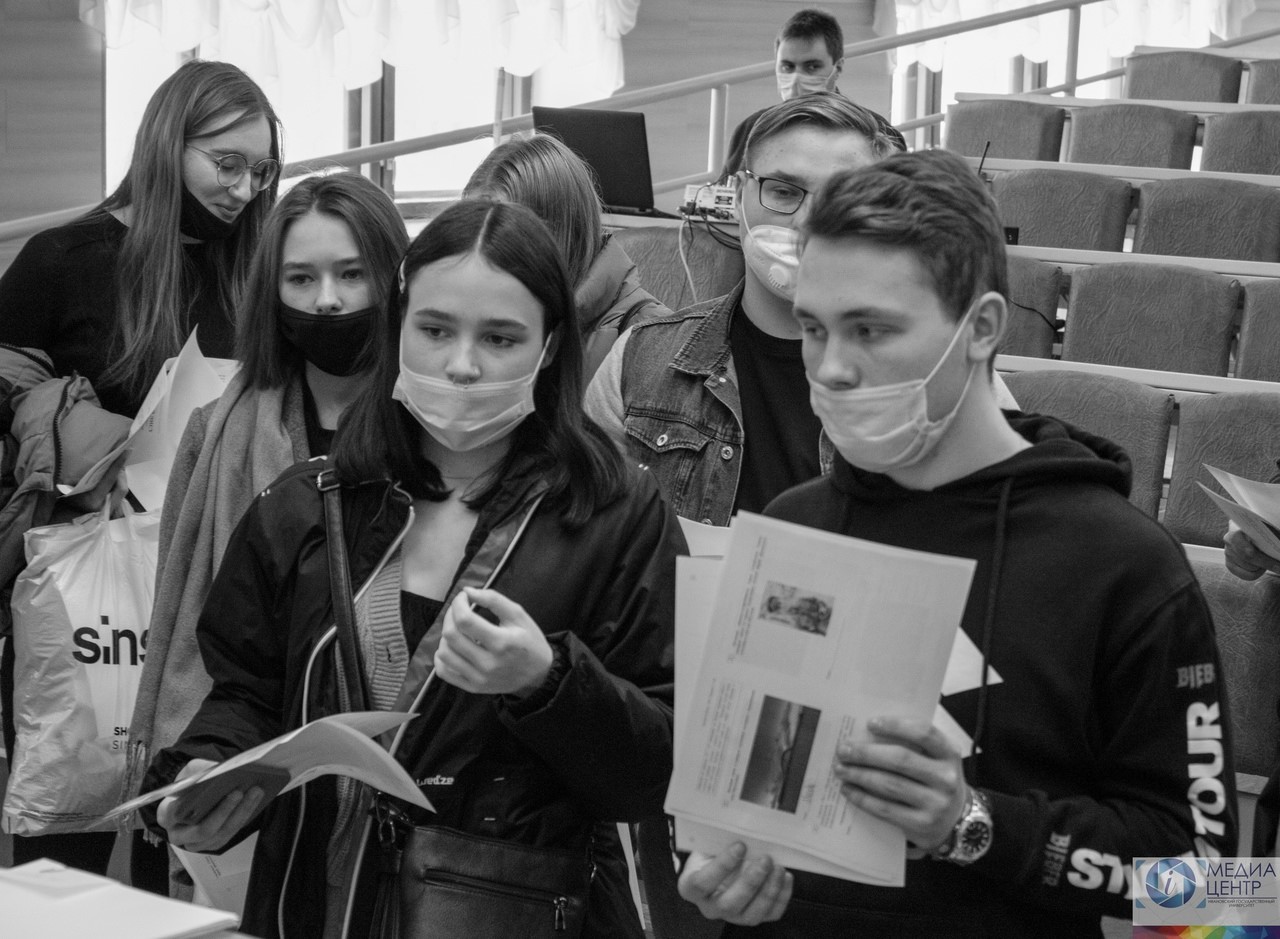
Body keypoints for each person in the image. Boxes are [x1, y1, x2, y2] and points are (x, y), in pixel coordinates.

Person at [677, 149, 1238, 937]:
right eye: (813, 328)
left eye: (871, 329)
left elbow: (1207, 881)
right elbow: (752, 805)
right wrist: (721, 876)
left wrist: (974, 823)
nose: (831, 369)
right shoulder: (794, 526)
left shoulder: (1124, 563)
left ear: (981, 328)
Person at [140, 199, 682, 938]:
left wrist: (547, 681)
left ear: (551, 346)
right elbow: (246, 693)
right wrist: (210, 771)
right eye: (434, 330)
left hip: (509, 910)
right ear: (398, 328)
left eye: (500, 337)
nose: (462, 364)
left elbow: (658, 769)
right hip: (317, 900)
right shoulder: (308, 503)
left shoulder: (616, 515)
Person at [0, 57, 279, 880]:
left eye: (261, 171)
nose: (244, 189)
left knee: (185, 835)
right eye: (226, 164)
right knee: (66, 845)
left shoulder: (257, 268)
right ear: (167, 144)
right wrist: (76, 431)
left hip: (210, 583)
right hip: (88, 579)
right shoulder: (65, 258)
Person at [122, 171, 409, 896]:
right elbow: (184, 613)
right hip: (245, 766)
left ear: (394, 277)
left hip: (399, 781)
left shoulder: (430, 432)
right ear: (271, 291)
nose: (328, 300)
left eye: (352, 274)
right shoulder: (218, 430)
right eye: (301, 278)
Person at [585, 94, 904, 525]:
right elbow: (586, 530)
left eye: (840, 196)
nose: (806, 222)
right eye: (783, 191)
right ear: (737, 197)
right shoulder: (640, 361)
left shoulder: (929, 372)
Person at [463, 133, 671, 381]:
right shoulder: (484, 314)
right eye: (473, 229)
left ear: (564, 231)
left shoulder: (652, 339)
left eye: (506, 235)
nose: (483, 250)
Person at [718, 8, 904, 182]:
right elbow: (729, 197)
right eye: (787, 67)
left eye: (812, 66)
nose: (796, 78)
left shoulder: (877, 132)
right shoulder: (751, 129)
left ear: (838, 67)